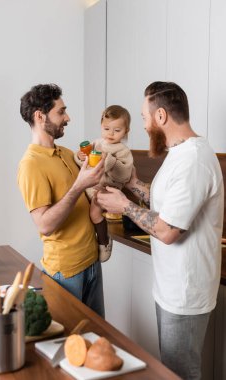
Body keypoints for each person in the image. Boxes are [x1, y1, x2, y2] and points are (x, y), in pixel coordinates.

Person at [96, 81, 224, 379]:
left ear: (161, 116)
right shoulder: (179, 152)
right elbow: (161, 199)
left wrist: (123, 206)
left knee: (180, 373)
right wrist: (130, 184)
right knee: (170, 368)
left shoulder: (194, 161)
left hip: (186, 291)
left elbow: (167, 230)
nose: (142, 125)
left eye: (144, 117)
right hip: (170, 286)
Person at [17, 83, 106, 317]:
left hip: (92, 263)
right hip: (66, 274)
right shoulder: (31, 165)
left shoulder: (66, 153)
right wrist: (79, 186)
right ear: (40, 116)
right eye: (60, 111)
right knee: (68, 344)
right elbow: (45, 225)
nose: (67, 117)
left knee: (98, 340)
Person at [74, 105, 133, 262]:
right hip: (91, 186)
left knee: (94, 213)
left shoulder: (123, 151)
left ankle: (104, 240)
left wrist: (110, 160)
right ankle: (87, 240)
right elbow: (84, 165)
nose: (110, 134)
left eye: (117, 130)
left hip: (107, 189)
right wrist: (81, 157)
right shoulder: (96, 143)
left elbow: (125, 175)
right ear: (101, 126)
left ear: (126, 131)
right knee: (76, 207)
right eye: (106, 128)